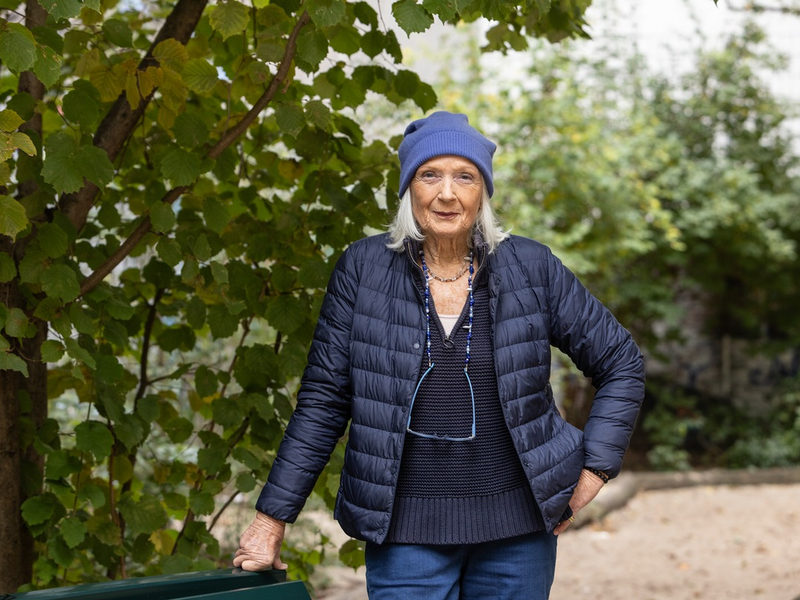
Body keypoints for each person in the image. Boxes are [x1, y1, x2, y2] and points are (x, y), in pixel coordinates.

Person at [234, 111, 645, 599]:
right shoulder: (363, 269)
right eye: (430, 174)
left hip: (519, 533)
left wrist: (595, 469)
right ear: (409, 187)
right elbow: (324, 400)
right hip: (405, 533)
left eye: (464, 177)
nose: (447, 193)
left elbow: (621, 362)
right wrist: (271, 518)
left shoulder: (531, 267)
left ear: (483, 190)